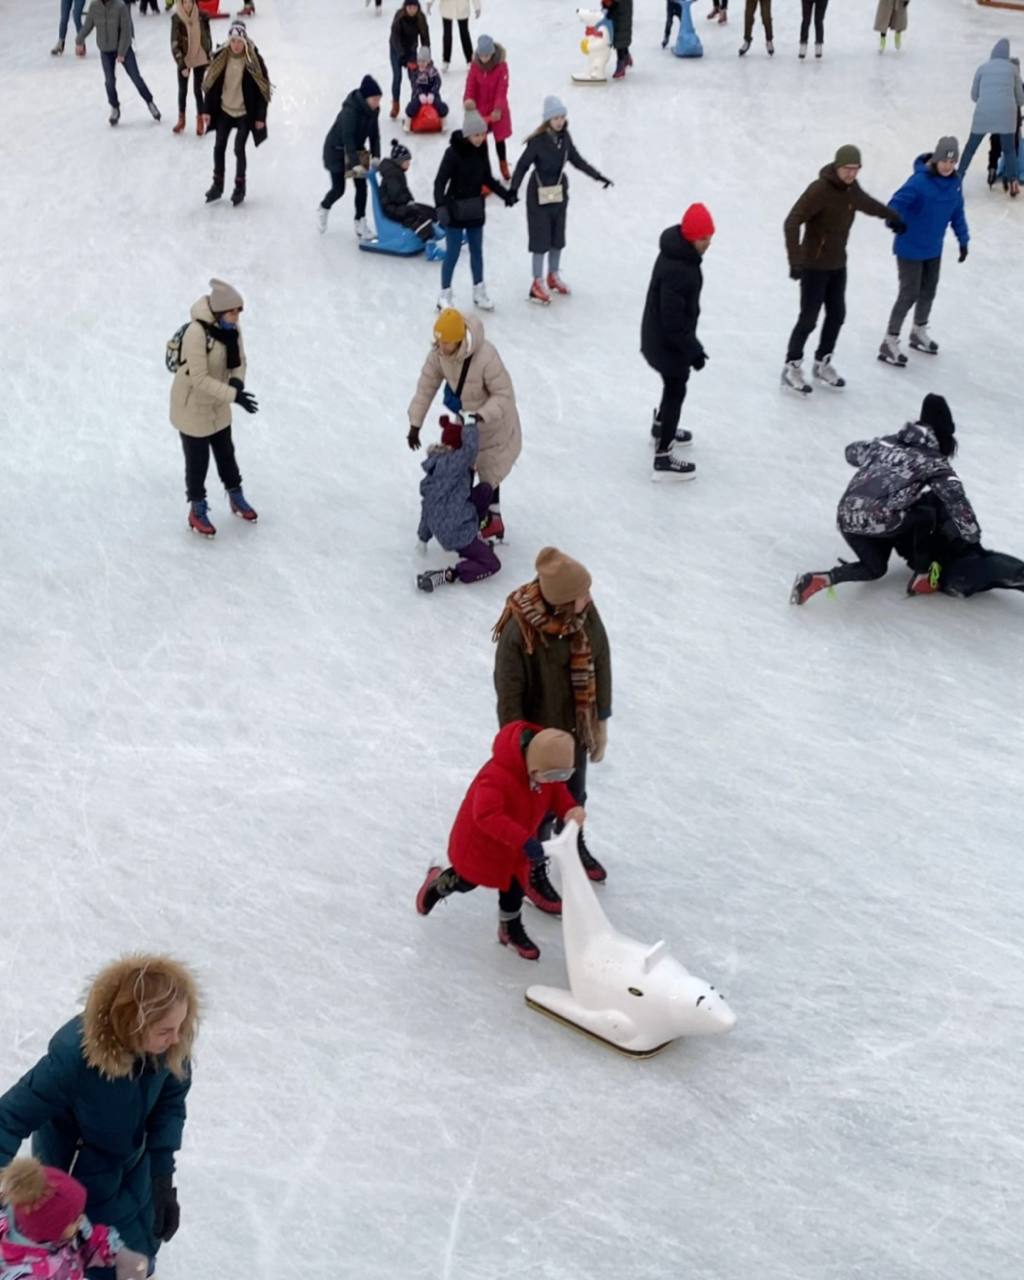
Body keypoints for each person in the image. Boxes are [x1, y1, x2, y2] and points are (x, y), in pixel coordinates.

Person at [0, 956, 199, 1264]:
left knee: (140, 1251)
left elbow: (169, 1107)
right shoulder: (75, 1060)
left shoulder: (169, 1048)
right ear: (135, 1022)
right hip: (76, 1183)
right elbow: (9, 1117)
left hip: (134, 1166)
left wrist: (162, 1177)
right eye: (165, 1030)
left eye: (181, 1026)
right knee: (100, 1262)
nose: (177, 1038)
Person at [492, 547, 612, 913]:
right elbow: (509, 697)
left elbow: (601, 659)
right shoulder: (519, 633)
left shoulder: (582, 614)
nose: (589, 598)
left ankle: (572, 844)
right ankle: (535, 868)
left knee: (574, 797)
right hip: (539, 745)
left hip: (574, 730)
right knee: (537, 811)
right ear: (561, 600)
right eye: (582, 594)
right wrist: (522, 751)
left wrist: (601, 718)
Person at [415, 725, 586, 960]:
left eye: (561, 776)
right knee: (466, 881)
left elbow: (556, 791)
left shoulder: (543, 774)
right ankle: (438, 885)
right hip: (481, 847)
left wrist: (570, 809)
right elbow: (486, 816)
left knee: (515, 886)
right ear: (534, 767)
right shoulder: (495, 777)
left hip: (516, 847)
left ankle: (510, 928)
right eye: (551, 776)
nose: (553, 782)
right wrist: (524, 840)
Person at [790, 395, 981, 604]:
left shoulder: (887, 443)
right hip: (881, 519)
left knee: (875, 568)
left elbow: (851, 453)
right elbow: (955, 500)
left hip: (846, 516)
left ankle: (821, 579)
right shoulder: (933, 462)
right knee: (925, 515)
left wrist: (879, 450)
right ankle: (922, 576)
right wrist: (971, 535)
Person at [781, 144, 903, 394]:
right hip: (814, 266)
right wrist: (796, 261)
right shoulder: (819, 190)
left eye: (855, 169)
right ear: (837, 166)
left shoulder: (850, 190)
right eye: (847, 169)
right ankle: (791, 366)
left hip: (838, 264)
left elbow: (866, 203)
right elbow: (792, 222)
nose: (851, 174)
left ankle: (822, 362)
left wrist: (892, 216)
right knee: (809, 318)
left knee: (837, 315)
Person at [408, 307, 521, 540]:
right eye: (437, 342)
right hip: (467, 421)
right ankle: (472, 518)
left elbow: (504, 394)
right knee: (464, 468)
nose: (440, 348)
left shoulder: (486, 357)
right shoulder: (439, 353)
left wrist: (481, 414)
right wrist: (415, 423)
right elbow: (426, 385)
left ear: (459, 341)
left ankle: (492, 520)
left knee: (490, 471)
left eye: (445, 343)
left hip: (494, 422)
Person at [169, 277, 259, 536]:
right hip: (192, 408)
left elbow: (240, 360)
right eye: (233, 311)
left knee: (226, 454)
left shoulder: (233, 330)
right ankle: (197, 510)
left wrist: (237, 383)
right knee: (198, 462)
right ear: (220, 311)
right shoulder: (197, 333)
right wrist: (233, 395)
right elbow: (198, 379)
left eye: (239, 311)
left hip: (218, 404)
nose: (237, 316)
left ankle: (236, 496)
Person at [509, 95, 612, 305]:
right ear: (548, 119)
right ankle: (537, 281)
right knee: (540, 240)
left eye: (562, 117)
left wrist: (598, 176)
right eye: (555, 117)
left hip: (558, 193)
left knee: (557, 237)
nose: (560, 121)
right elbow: (522, 166)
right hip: (538, 194)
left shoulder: (565, 138)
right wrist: (513, 190)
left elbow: (577, 160)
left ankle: (552, 275)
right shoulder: (537, 142)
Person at [878, 138, 968, 366]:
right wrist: (894, 221)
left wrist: (963, 240)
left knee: (928, 290)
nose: (948, 166)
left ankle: (918, 330)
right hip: (909, 247)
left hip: (933, 248)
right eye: (944, 161)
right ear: (936, 159)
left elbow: (957, 213)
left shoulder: (955, 183)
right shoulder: (919, 182)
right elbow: (896, 203)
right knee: (909, 293)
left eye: (952, 161)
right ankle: (889, 340)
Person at [640, 203, 714, 479]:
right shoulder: (679, 268)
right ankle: (663, 456)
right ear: (691, 236)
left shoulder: (678, 254)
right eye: (704, 237)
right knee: (676, 388)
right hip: (665, 343)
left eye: (710, 237)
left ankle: (661, 426)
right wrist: (694, 351)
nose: (708, 243)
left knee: (672, 384)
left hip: (657, 338)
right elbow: (673, 321)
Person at [0, 1159, 149, 1280]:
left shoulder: (64, 1231)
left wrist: (118, 1252)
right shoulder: (26, 1274)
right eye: (75, 1219)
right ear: (51, 1229)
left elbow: (88, 1239)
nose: (82, 1220)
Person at [433, 103, 514, 312]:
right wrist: (440, 206)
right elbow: (439, 182)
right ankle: (445, 294)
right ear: (468, 134)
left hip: (475, 209)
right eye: (476, 135)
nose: (480, 138)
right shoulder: (453, 153)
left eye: (482, 134)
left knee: (477, 251)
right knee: (452, 253)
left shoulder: (482, 150)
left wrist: (505, 194)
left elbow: (486, 176)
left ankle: (479, 291)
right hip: (455, 210)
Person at [415, 413, 501, 592]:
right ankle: (449, 574)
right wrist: (470, 424)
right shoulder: (455, 462)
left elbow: (428, 509)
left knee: (484, 490)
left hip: (448, 527)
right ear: (457, 447)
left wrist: (423, 538)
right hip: (459, 534)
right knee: (492, 564)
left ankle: (476, 533)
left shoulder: (435, 467)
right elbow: (470, 449)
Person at [201, 20, 270, 207]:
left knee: (239, 148)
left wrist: (260, 117)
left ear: (245, 41)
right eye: (233, 41)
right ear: (229, 40)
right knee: (219, 147)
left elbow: (263, 92)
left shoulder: (253, 61)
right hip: (225, 110)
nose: (236, 45)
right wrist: (207, 111)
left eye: (239, 41)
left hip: (244, 114)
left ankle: (240, 186)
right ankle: (217, 184)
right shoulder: (221, 58)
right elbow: (212, 86)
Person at [76, 0, 160, 127]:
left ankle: (150, 102)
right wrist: (79, 40)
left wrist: (121, 52)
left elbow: (126, 32)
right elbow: (88, 26)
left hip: (124, 48)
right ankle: (114, 107)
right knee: (109, 81)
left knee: (136, 78)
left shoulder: (120, 6)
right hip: (105, 50)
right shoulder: (94, 6)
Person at [958, 39, 1023, 197]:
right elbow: (1020, 99)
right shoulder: (1013, 70)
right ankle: (1013, 181)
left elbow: (974, 96)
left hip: (983, 114)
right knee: (1009, 150)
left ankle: (957, 178)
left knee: (970, 148)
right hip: (1007, 115)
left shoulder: (982, 68)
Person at [318, 76, 382, 237]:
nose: (377, 103)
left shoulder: (374, 111)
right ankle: (324, 207)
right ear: (366, 98)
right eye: (374, 99)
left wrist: (376, 156)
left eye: (379, 99)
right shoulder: (350, 111)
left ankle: (360, 223)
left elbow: (375, 135)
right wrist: (355, 164)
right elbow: (347, 138)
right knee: (339, 189)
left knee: (362, 187)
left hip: (357, 148)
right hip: (336, 150)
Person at [464, 34, 512, 178]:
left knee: (499, 140)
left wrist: (498, 108)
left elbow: (502, 89)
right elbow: (470, 85)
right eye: (482, 55)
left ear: (492, 53)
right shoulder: (475, 66)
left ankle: (503, 164)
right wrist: (468, 100)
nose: (484, 58)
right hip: (479, 109)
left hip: (497, 110)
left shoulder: (501, 67)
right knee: (480, 142)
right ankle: (484, 172)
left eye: (487, 55)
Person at [379, 139, 438, 239]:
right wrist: (408, 201)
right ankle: (429, 241)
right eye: (406, 161)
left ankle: (439, 230)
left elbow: (403, 191)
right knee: (419, 215)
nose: (408, 164)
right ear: (399, 161)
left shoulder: (397, 172)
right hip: (392, 208)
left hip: (398, 206)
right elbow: (395, 195)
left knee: (429, 210)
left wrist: (410, 200)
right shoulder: (392, 174)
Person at [170, 0, 211, 136]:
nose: (187, 5)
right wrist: (182, 65)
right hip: (184, 59)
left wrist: (208, 54)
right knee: (183, 91)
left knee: (198, 91)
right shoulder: (177, 19)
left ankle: (200, 120)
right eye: (184, 2)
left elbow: (207, 38)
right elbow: (174, 43)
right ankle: (181, 120)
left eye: (190, 2)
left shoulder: (202, 17)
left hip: (200, 57)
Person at [389, 0, 431, 120]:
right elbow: (395, 38)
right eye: (409, 7)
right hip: (396, 50)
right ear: (405, 7)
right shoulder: (399, 17)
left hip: (411, 49)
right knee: (397, 77)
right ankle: (395, 105)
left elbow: (425, 37)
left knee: (414, 77)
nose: (412, 10)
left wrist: (426, 56)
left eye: (414, 7)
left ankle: (415, 105)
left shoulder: (420, 18)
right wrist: (402, 56)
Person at [428, 0, 479, 71]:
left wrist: (477, 6)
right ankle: (446, 60)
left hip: (462, 7)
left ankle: (470, 60)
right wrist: (429, 2)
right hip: (447, 6)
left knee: (464, 34)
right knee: (447, 34)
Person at [405, 45, 448, 125]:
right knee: (412, 106)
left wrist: (433, 92)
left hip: (432, 94)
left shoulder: (432, 71)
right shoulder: (416, 72)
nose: (421, 64)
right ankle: (408, 122)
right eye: (419, 61)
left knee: (440, 106)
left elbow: (437, 82)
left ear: (428, 61)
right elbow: (414, 84)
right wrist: (420, 94)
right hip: (419, 95)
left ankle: (443, 121)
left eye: (423, 61)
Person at [606, 0, 633, 77]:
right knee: (621, 35)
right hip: (621, 8)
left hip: (620, 9)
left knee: (620, 35)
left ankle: (621, 64)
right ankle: (626, 57)